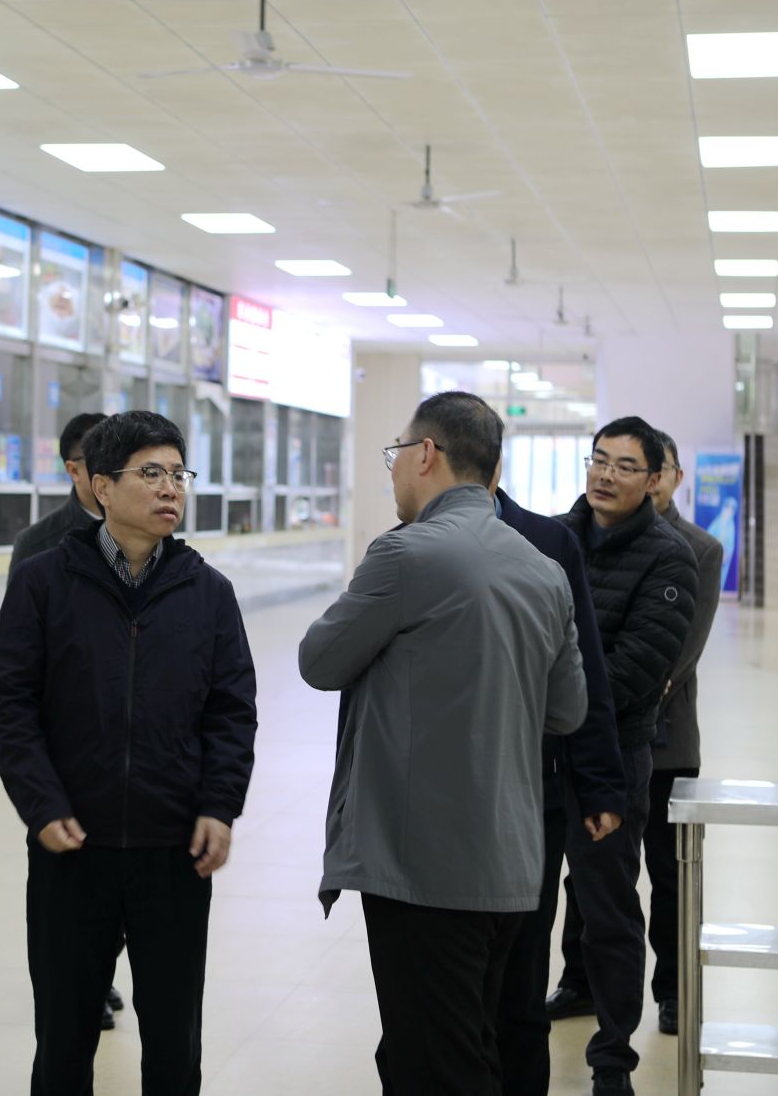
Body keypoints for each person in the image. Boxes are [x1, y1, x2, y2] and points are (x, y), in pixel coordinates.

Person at [301, 392, 586, 1096]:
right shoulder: (543, 569)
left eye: (396, 453)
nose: (394, 469)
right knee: (472, 1045)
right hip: (511, 864)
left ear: (426, 454)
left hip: (422, 870)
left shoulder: (406, 553)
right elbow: (568, 709)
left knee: (435, 1068)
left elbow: (319, 660)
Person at [0, 410, 257, 1095]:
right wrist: (41, 804)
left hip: (174, 850)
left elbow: (231, 712)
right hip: (73, 847)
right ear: (101, 486)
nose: (170, 488)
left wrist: (219, 806)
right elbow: (9, 703)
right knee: (64, 1040)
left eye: (178, 474)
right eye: (151, 473)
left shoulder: (208, 592)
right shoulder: (44, 583)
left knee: (173, 1044)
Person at [554, 429, 727, 1039]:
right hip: (584, 736)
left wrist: (601, 702)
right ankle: (579, 982)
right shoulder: (567, 537)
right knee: (591, 878)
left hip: (662, 739)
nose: (609, 474)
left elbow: (675, 655)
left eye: (630, 466)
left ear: (665, 477)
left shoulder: (693, 549)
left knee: (664, 874)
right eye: (600, 461)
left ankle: (672, 991)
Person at [489, 462, 627, 1094]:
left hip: (531, 792)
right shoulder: (409, 543)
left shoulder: (546, 542)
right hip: (441, 804)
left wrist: (598, 784)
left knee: (521, 977)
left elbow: (584, 669)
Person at [8, 409, 126, 1032]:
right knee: (74, 877)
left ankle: (100, 969)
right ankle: (85, 983)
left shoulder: (146, 536)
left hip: (133, 744)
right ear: (76, 471)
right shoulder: (40, 545)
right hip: (67, 746)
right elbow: (17, 666)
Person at [10, 411, 109, 577]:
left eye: (122, 458)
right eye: (103, 459)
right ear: (74, 471)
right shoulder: (35, 545)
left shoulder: (146, 529)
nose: (115, 468)